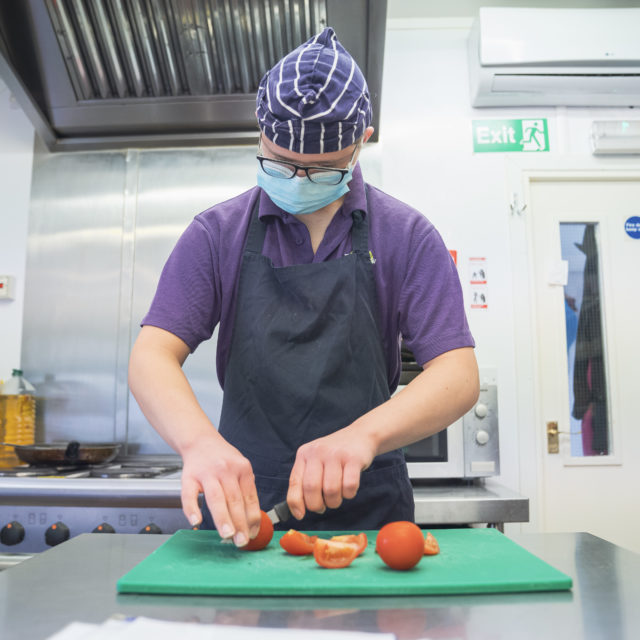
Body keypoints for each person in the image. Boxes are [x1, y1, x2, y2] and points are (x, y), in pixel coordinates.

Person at [128, 27, 479, 548]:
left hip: (368, 509)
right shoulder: (216, 234)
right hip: (244, 508)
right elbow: (152, 354)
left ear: (362, 142)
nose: (296, 180)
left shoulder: (405, 235)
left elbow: (457, 373)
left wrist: (365, 436)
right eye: (279, 161)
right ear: (261, 132)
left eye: (319, 170)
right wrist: (199, 443)